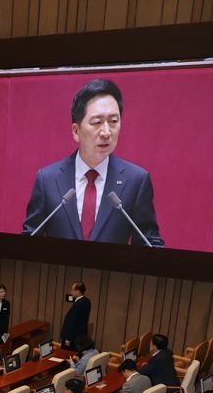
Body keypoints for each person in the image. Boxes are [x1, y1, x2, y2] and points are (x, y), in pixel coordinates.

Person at [22, 77, 163, 246]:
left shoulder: (136, 181)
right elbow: (30, 238)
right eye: (97, 122)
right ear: (76, 131)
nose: (106, 132)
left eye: (113, 121)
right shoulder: (47, 180)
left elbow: (149, 242)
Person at [59, 281, 91, 348]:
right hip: (81, 337)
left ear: (78, 291)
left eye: (72, 290)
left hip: (72, 338)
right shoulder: (87, 301)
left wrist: (68, 338)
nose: (71, 292)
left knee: (66, 355)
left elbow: (73, 322)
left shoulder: (78, 304)